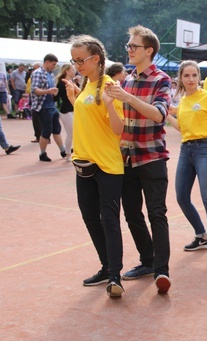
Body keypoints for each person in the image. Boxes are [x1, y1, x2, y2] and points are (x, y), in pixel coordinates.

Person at [104, 25, 172, 294]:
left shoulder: (162, 79)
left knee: (157, 213)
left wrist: (126, 96)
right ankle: (148, 260)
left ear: (149, 50)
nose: (129, 50)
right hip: (127, 158)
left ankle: (162, 271)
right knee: (132, 214)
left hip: (153, 156)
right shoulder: (127, 80)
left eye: (133, 46)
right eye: (128, 46)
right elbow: (120, 124)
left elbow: (159, 115)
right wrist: (110, 104)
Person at [66, 35, 125, 297]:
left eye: (81, 60)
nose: (77, 64)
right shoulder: (87, 86)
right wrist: (74, 99)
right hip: (84, 163)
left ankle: (115, 276)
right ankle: (105, 267)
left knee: (109, 220)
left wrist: (111, 106)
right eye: (74, 60)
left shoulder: (109, 86)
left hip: (107, 166)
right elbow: (90, 119)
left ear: (96, 59)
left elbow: (117, 129)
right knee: (90, 218)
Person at [166, 60, 207, 264]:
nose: (191, 79)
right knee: (182, 197)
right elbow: (182, 129)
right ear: (181, 79)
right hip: (186, 149)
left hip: (205, 149)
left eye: (194, 75)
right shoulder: (183, 101)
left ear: (199, 77)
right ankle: (202, 235)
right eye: (187, 76)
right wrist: (168, 114)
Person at [30, 54, 66, 162]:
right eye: (53, 64)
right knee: (46, 131)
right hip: (43, 107)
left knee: (56, 130)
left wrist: (54, 92)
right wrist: (48, 91)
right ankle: (42, 153)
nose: (54, 67)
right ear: (47, 62)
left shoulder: (50, 74)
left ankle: (63, 151)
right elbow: (34, 90)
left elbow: (49, 89)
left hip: (51, 105)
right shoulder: (37, 73)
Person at [55, 64, 76, 162]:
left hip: (74, 109)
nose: (74, 71)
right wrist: (54, 93)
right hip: (66, 111)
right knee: (71, 133)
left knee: (76, 132)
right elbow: (56, 98)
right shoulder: (61, 83)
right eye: (72, 69)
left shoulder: (73, 82)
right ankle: (68, 154)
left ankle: (73, 151)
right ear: (67, 71)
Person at [27, 62, 42, 142]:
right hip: (33, 97)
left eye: (34, 68)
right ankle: (39, 136)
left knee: (37, 119)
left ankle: (41, 137)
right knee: (36, 119)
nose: (32, 70)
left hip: (38, 100)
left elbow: (35, 88)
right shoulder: (32, 74)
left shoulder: (38, 74)